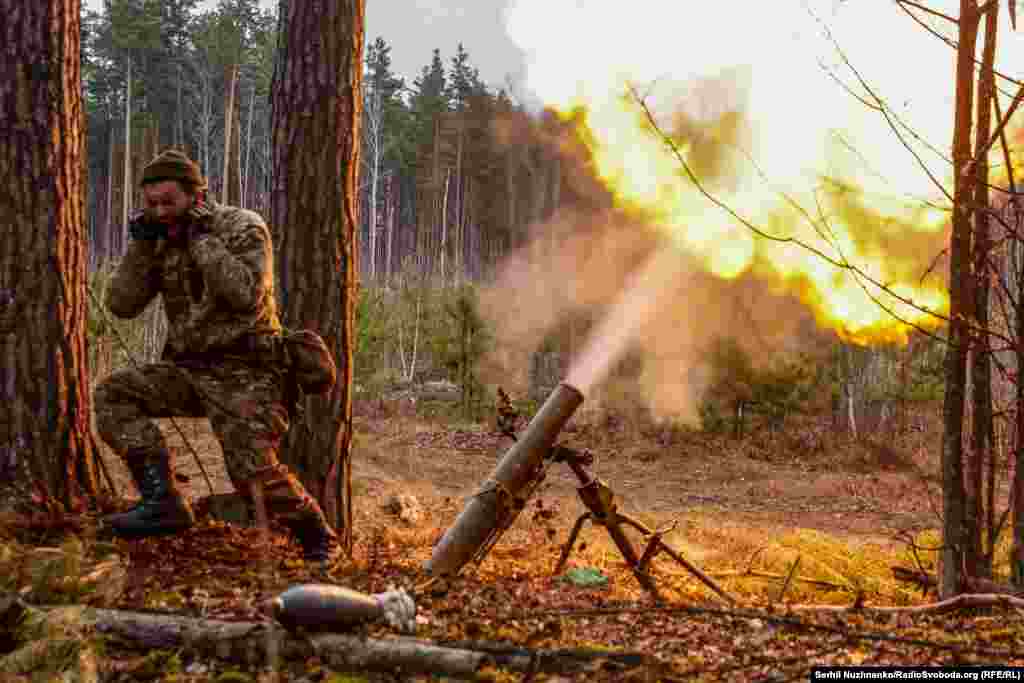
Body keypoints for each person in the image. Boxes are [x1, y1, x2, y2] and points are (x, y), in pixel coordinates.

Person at [95, 148, 339, 563]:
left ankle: (319, 538)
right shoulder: (159, 241)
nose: (160, 212)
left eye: (169, 202)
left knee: (250, 470)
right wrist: (140, 247)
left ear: (197, 196)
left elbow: (246, 296)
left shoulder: (242, 227)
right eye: (151, 205)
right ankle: (162, 502)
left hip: (250, 371)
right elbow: (121, 304)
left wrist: (201, 240)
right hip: (190, 370)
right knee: (113, 395)